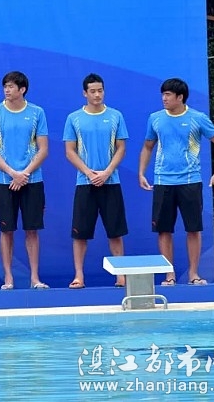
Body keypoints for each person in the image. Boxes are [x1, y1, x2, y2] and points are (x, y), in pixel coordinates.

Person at [139, 78, 214, 286]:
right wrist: (141, 172)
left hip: (190, 181)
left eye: (168, 95)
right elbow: (148, 146)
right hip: (163, 181)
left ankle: (193, 274)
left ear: (180, 97)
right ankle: (169, 275)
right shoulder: (155, 118)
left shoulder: (197, 118)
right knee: (164, 230)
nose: (164, 98)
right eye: (163, 94)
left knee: (193, 229)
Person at [0, 71, 49, 290]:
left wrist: (24, 174)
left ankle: (35, 278)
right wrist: (13, 173)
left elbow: (43, 149)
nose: (7, 90)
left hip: (32, 180)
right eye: (5, 86)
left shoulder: (37, 112)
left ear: (22, 89)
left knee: (32, 230)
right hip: (5, 181)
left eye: (11, 86)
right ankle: (8, 278)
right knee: (6, 230)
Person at [63, 74, 128, 289]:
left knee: (115, 232)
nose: (97, 94)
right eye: (93, 91)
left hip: (111, 182)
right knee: (80, 233)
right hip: (85, 183)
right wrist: (89, 173)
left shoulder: (116, 116)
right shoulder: (74, 118)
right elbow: (70, 151)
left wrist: (107, 172)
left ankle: (120, 275)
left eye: (100, 90)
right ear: (85, 93)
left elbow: (121, 148)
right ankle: (79, 276)